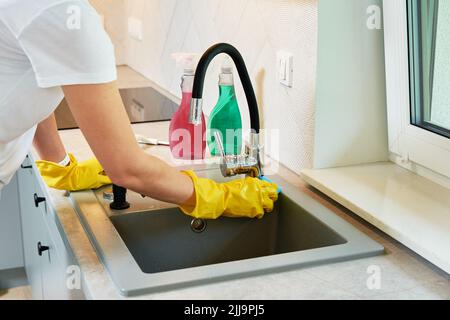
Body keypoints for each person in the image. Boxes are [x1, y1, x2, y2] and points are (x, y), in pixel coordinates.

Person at [0, 0, 278, 219]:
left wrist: (58, 163)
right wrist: (219, 197)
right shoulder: (64, 14)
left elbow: (32, 74)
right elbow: (127, 169)